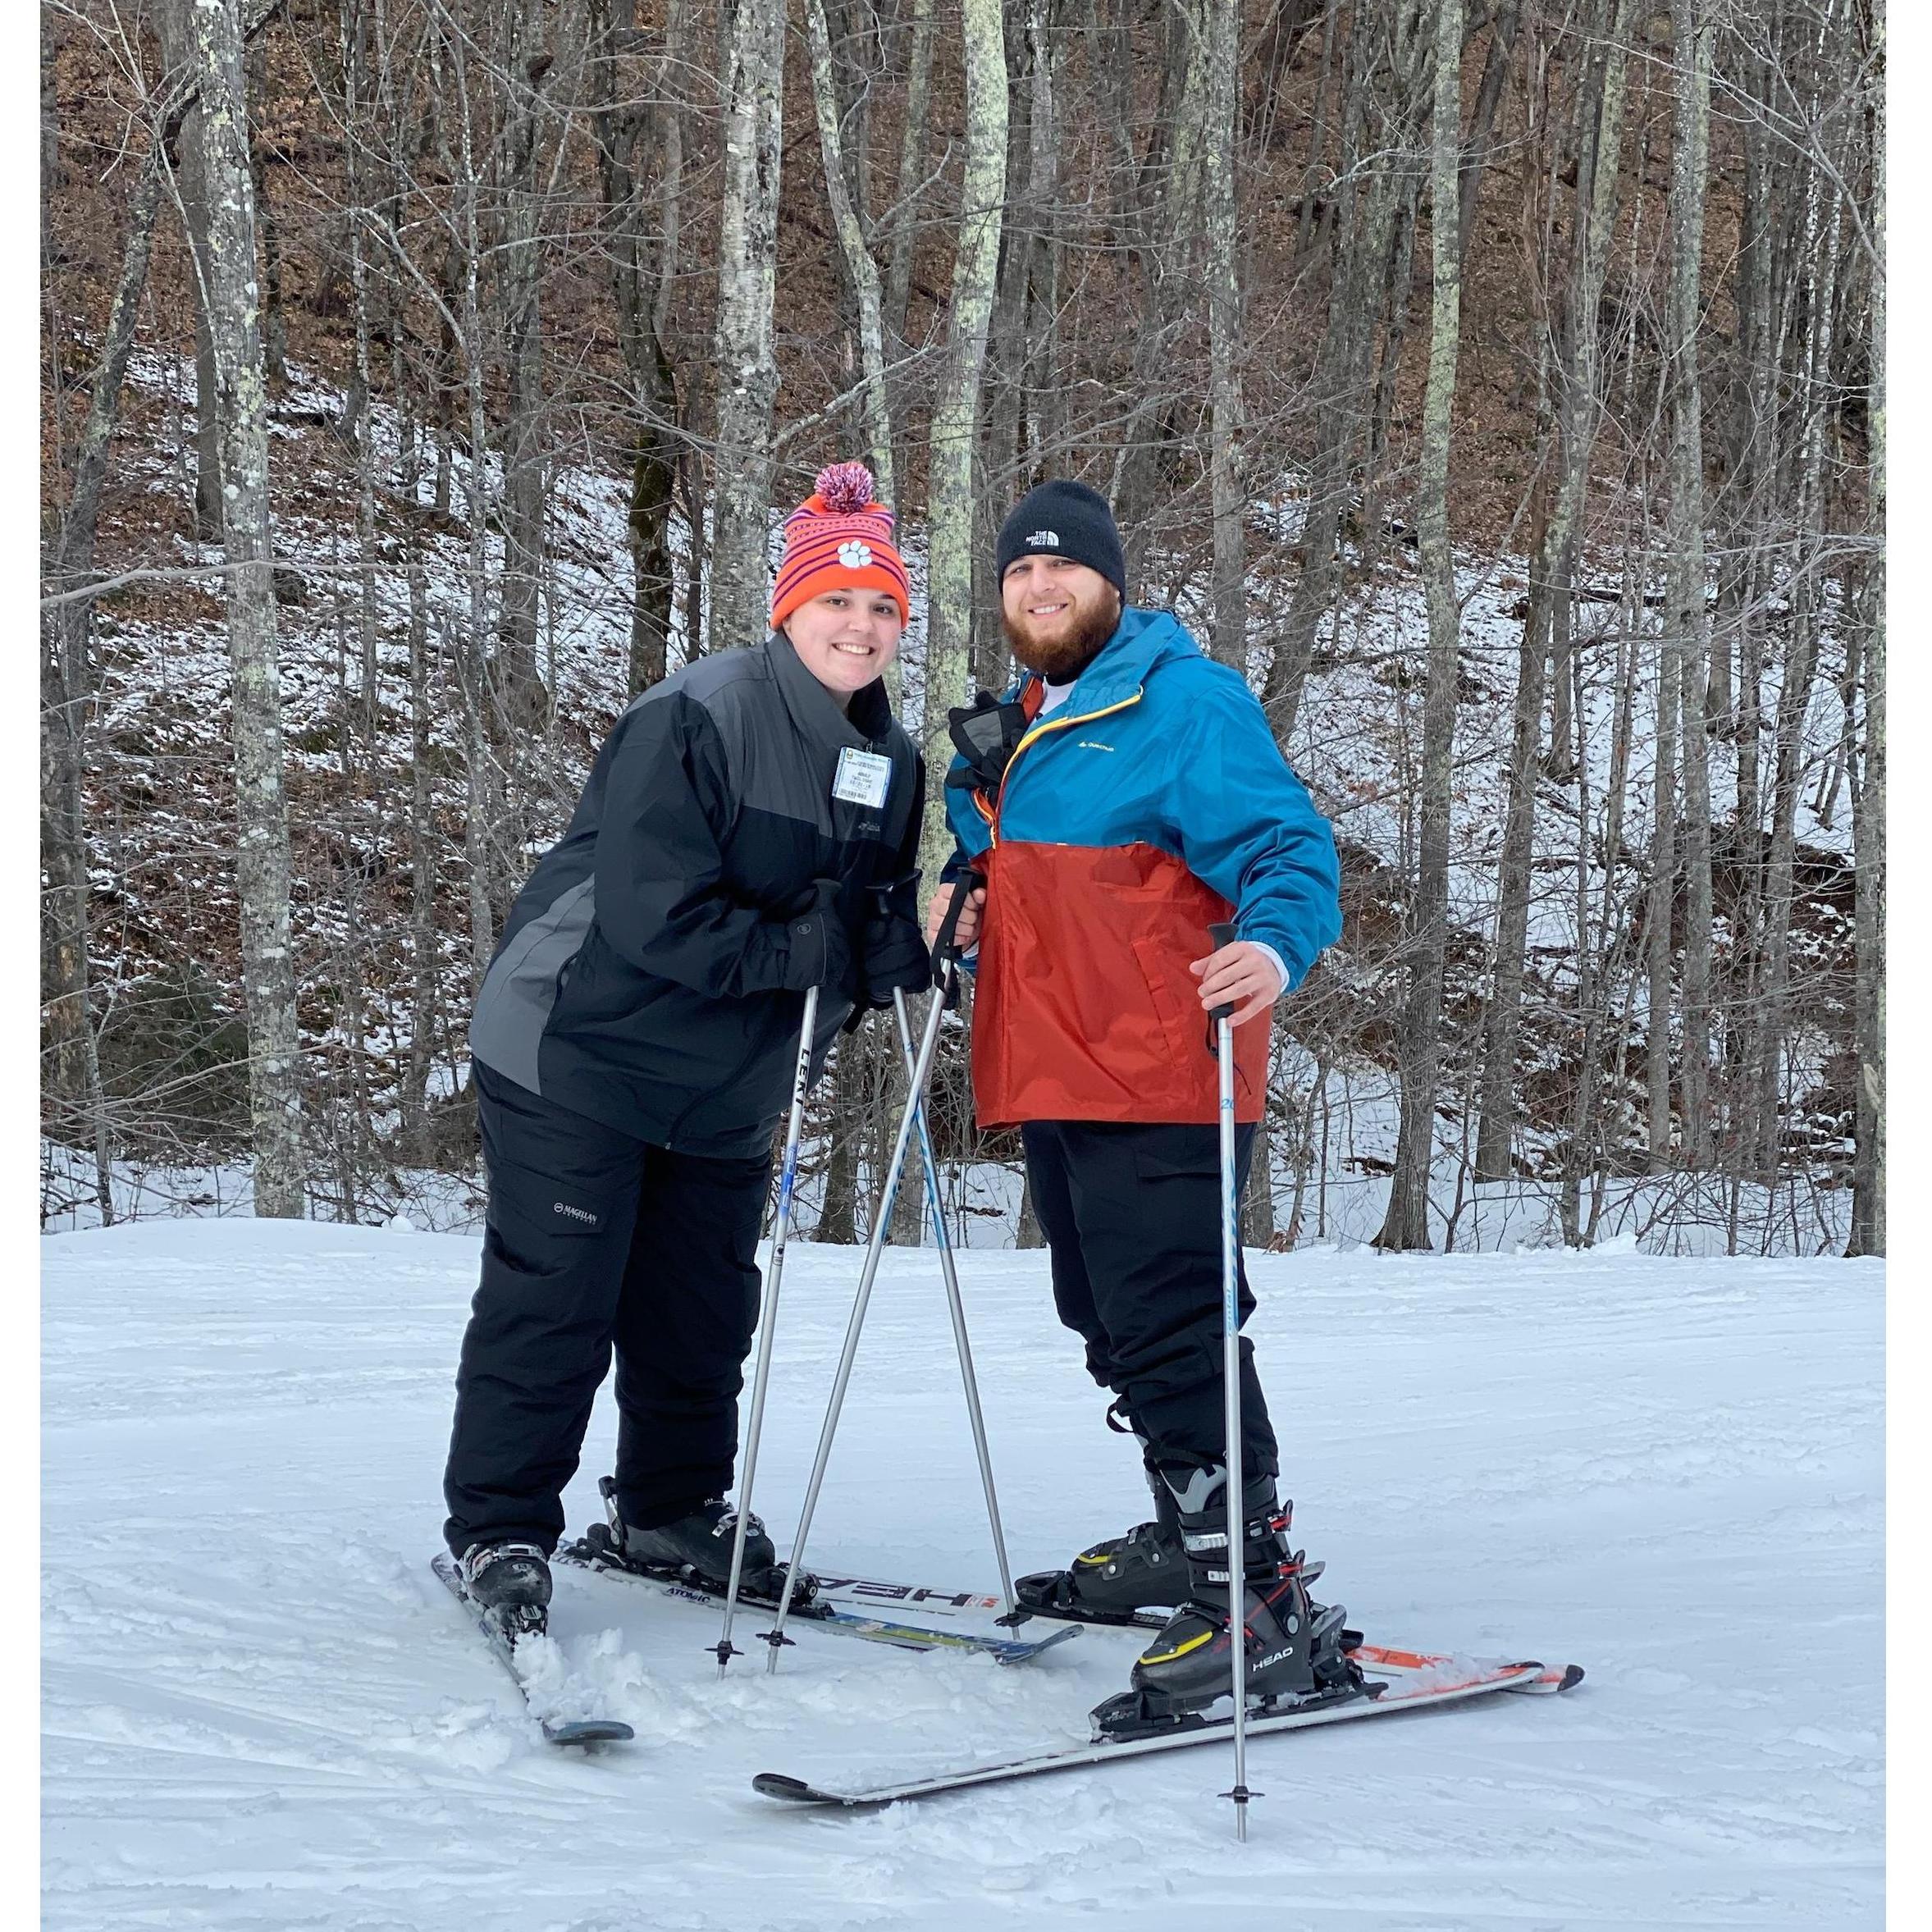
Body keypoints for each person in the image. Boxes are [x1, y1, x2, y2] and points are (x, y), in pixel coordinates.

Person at [443, 462, 931, 1637]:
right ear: (788, 608)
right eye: (836, 601)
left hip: (729, 1079)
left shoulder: (896, 763)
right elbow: (651, 914)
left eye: (882, 607)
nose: (860, 627)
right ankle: (501, 1526)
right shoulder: (698, 715)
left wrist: (902, 950)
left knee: (701, 1307)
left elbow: (856, 929)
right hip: (580, 1044)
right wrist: (813, 947)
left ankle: (668, 1510)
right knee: (560, 1295)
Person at [926, 478, 1353, 1729]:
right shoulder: (1019, 727)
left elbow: (1288, 846)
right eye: (1020, 572)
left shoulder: (1182, 702)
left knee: (1172, 1322)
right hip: (1056, 1066)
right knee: (1104, 1315)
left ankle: (1257, 1600)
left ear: (1112, 585)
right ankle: (1186, 1537)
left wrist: (1272, 945)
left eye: (1063, 569)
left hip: (1168, 1065)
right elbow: (1023, 878)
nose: (1040, 587)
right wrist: (968, 902)